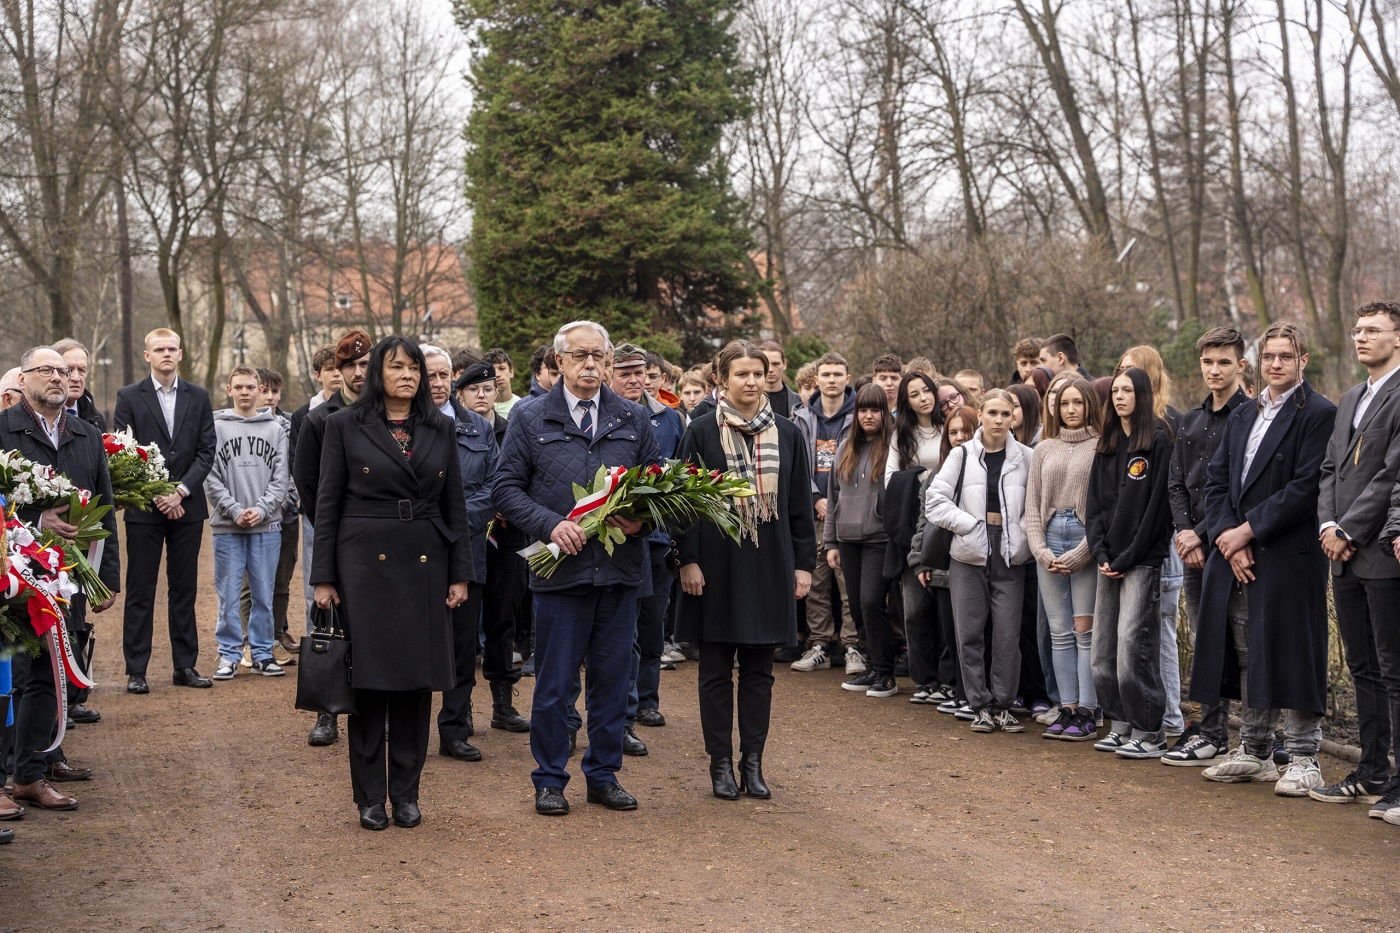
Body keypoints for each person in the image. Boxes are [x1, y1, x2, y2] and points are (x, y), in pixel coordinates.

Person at [494, 320, 661, 816]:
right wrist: (550, 525)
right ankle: (549, 779)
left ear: (607, 363)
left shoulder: (633, 417)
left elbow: (658, 491)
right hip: (560, 576)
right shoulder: (529, 417)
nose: (590, 364)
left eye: (598, 356)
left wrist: (641, 521)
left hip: (618, 575)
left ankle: (603, 776)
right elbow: (505, 489)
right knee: (554, 686)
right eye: (579, 356)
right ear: (559, 361)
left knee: (611, 683)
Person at [312, 336, 472, 831]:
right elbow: (326, 504)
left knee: (414, 685)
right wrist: (323, 577)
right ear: (377, 373)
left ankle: (405, 794)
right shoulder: (343, 424)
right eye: (397, 367)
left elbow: (455, 504)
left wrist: (460, 572)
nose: (408, 375)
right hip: (363, 564)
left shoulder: (441, 427)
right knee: (368, 683)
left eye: (414, 368)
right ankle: (370, 798)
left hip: (425, 561)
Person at [1189, 322, 1336, 796]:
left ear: (1302, 361)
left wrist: (1247, 531)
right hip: (1238, 553)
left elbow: (1306, 487)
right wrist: (1228, 539)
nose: (1276, 364)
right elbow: (1217, 481)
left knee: (1294, 650)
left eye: (1285, 357)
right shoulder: (1242, 415)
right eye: (1269, 356)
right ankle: (1254, 750)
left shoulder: (1319, 413)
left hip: (1289, 553)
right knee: (1248, 650)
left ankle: (1305, 757)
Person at [675, 340, 815, 799]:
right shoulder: (700, 432)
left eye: (758, 373)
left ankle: (752, 762)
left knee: (759, 672)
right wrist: (687, 560)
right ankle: (720, 764)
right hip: (715, 564)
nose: (752, 381)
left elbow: (799, 505)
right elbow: (684, 504)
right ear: (722, 379)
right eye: (742, 374)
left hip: (770, 562)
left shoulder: (788, 433)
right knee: (715, 670)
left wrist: (803, 565)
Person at [0, 346, 120, 812]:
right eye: (46, 370)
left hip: (65, 580)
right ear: (23, 379)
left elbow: (104, 508)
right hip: (13, 579)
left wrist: (106, 577)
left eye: (64, 370)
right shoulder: (4, 430)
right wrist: (35, 520)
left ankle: (29, 776)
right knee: (10, 674)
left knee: (50, 676)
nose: (58, 377)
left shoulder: (86, 434)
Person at [1315, 301, 1400, 814]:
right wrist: (1329, 526)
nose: (1361, 337)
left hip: (1381, 554)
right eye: (1357, 329)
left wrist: (1349, 529)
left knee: (1394, 669)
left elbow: (1391, 473)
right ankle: (1371, 772)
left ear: (1398, 337)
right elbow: (1331, 469)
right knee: (1363, 668)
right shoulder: (1349, 397)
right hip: (1342, 556)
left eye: (1373, 330)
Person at [1162, 327, 1250, 766]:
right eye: (1208, 362)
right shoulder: (1190, 421)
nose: (1214, 370)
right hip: (1193, 551)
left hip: (1233, 548)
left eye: (1224, 362)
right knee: (1205, 642)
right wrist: (1185, 532)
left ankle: (1256, 742)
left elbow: (1240, 489)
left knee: (1244, 645)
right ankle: (1211, 733)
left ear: (1241, 365)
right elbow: (1176, 483)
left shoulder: (1251, 418)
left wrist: (1202, 532)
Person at [113, 327, 217, 693]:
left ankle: (184, 666)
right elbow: (123, 451)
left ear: (181, 353)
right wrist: (158, 494)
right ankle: (136, 670)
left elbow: (207, 450)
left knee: (184, 589)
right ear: (147, 355)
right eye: (159, 349)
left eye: (172, 348)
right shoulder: (129, 396)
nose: (167, 354)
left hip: (187, 508)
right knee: (140, 588)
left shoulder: (198, 396)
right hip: (145, 508)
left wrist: (181, 491)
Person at [926, 390, 1033, 733]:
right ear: (981, 415)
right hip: (968, 553)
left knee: (1007, 636)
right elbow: (935, 500)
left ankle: (1003, 705)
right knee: (969, 634)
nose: (999, 420)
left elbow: (1037, 505)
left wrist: (1022, 536)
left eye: (1006, 413)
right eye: (992, 413)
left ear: (1013, 418)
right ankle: (980, 706)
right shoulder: (961, 455)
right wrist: (969, 525)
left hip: (1010, 554)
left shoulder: (1027, 457)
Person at [1087, 367, 1174, 759]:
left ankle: (1149, 730)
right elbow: (1093, 507)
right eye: (1115, 391)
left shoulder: (1157, 441)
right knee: (1102, 653)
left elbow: (1157, 512)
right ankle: (1120, 724)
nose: (1119, 397)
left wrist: (1127, 557)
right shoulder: (1106, 445)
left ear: (1142, 395)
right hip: (1108, 562)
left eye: (1127, 391)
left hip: (1141, 561)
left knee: (1132, 648)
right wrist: (1102, 553)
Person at [423, 348, 503, 764]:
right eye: (429, 375)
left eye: (443, 375)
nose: (437, 383)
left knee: (461, 644)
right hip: (410, 553)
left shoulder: (478, 427)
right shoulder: (396, 426)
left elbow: (495, 487)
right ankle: (404, 724)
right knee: (410, 640)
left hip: (465, 551)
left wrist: (449, 522)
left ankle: (454, 729)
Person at [293, 330, 372, 746]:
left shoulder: (390, 414)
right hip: (333, 532)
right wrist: (331, 527)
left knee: (374, 622)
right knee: (326, 613)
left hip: (378, 538)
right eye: (350, 366)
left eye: (365, 364)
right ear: (337, 371)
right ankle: (327, 710)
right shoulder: (319, 419)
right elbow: (306, 481)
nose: (359, 372)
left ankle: (376, 708)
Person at [607, 344, 685, 748]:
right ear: (610, 375)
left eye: (642, 373)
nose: (635, 380)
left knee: (653, 623)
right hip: (613, 535)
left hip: (657, 537)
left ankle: (647, 701)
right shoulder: (602, 415)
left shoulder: (670, 418)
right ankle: (621, 710)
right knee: (624, 629)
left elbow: (683, 474)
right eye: (625, 373)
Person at [1025, 377, 1102, 741]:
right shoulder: (1044, 448)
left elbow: (1104, 508)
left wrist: (1083, 553)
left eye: (1078, 402)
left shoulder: (1102, 445)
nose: (1071, 409)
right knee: (1059, 632)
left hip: (1085, 539)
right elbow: (1032, 505)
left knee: (1084, 631)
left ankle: (1089, 711)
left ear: (1089, 406)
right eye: (1065, 403)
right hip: (1050, 536)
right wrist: (1040, 550)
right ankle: (1067, 708)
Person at [1116, 345, 1186, 737]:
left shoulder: (1168, 424)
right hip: (1132, 547)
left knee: (1160, 633)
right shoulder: (1128, 425)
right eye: (1119, 370)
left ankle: (1169, 716)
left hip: (1163, 544)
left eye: (1130, 371)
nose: (1122, 378)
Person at [206, 365, 291, 681]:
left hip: (266, 526)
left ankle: (263, 653)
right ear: (229, 390)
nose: (245, 392)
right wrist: (233, 510)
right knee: (228, 595)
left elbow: (281, 478)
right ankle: (229, 654)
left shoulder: (275, 429)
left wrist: (262, 509)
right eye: (239, 387)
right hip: (228, 526)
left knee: (263, 595)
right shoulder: (216, 427)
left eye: (250, 387)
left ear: (259, 390)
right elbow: (210, 476)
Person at [826, 384, 897, 696]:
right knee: (856, 606)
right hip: (847, 538)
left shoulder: (894, 447)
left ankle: (886, 673)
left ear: (884, 413)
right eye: (863, 410)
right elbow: (833, 495)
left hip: (879, 538)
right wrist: (830, 542)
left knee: (871, 602)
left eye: (875, 410)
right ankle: (872, 667)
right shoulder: (845, 446)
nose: (869, 416)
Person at [792, 352, 860, 674]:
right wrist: (815, 498)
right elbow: (796, 465)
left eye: (838, 374)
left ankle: (853, 646)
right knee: (816, 581)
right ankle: (819, 644)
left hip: (848, 513)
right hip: (813, 512)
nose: (832, 379)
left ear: (848, 378)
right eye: (826, 374)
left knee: (848, 583)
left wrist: (837, 502)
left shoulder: (859, 416)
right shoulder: (801, 418)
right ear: (816, 379)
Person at [886, 372, 945, 705]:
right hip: (913, 527)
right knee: (915, 609)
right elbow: (890, 479)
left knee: (945, 610)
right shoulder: (901, 435)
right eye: (915, 394)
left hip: (947, 524)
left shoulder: (949, 427)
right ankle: (924, 679)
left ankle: (948, 678)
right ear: (906, 402)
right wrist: (922, 478)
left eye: (927, 390)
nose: (924, 398)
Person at [50, 338, 106, 431]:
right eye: (68, 370)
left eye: (81, 370)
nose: (76, 378)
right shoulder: (37, 416)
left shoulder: (96, 420)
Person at [759, 341, 801, 419]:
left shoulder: (799, 402)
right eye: (766, 364)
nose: (770, 369)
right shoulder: (748, 400)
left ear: (784, 364)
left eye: (775, 364)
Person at [484, 348, 520, 418]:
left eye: (501, 368)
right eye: (492, 371)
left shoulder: (523, 405)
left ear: (511, 372)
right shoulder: (482, 409)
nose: (497, 374)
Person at [1007, 383, 1042, 447]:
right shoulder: (1004, 443)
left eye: (1015, 406)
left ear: (1029, 408)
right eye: (1006, 406)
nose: (1008, 412)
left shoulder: (1045, 442)